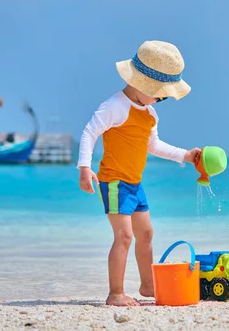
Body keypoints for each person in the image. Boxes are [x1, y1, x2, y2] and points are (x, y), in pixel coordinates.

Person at [77, 40, 201, 307]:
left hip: (134, 183)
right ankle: (115, 293)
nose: (160, 99)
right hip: (113, 182)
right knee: (124, 236)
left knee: (146, 234)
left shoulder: (150, 114)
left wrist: (186, 156)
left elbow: (153, 146)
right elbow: (89, 132)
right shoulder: (114, 106)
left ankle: (147, 286)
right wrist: (85, 168)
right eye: (159, 93)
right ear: (142, 83)